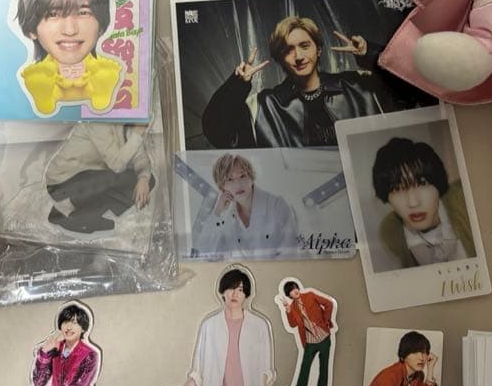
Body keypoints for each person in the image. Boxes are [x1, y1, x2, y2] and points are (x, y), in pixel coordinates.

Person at [202, 16, 418, 149]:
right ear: (279, 59)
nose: (298, 56)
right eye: (288, 50)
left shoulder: (359, 86)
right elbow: (218, 134)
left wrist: (369, 54)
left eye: (305, 46)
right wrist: (237, 84)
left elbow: (415, 91)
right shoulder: (262, 107)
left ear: (319, 49)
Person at [165, 268, 275, 386]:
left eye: (240, 290)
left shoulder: (259, 326)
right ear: (223, 291)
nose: (235, 294)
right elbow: (199, 368)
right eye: (231, 288)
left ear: (246, 294)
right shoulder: (210, 326)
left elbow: (266, 368)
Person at [15, 0, 122, 115]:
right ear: (32, 29)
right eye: (53, 14)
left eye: (83, 13)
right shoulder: (37, 75)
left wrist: (103, 87)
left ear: (101, 25)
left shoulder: (107, 70)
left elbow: (103, 108)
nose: (70, 30)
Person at [372, 137, 474, 269]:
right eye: (397, 189)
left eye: (422, 183)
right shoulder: (391, 232)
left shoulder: (464, 197)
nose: (413, 203)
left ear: (438, 183)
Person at [44, 122, 155, 234]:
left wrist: (143, 178)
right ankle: (71, 215)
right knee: (114, 177)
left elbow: (140, 159)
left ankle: (90, 213)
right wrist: (137, 134)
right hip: (62, 182)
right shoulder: (98, 122)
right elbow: (116, 164)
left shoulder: (128, 124)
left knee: (147, 180)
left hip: (90, 176)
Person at [190, 153, 299, 260]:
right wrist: (217, 212)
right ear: (222, 187)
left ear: (251, 178)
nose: (238, 184)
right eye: (230, 179)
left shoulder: (277, 206)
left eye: (242, 176)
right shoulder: (225, 219)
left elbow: (290, 253)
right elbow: (206, 254)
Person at [277, 280, 335, 386]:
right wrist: (288, 311)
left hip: (324, 337)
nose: (295, 291)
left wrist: (326, 321)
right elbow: (293, 324)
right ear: (289, 294)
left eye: (295, 288)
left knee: (324, 366)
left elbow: (329, 304)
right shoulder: (293, 307)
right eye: (291, 290)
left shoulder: (310, 295)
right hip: (310, 341)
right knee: (305, 367)